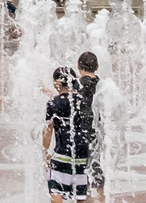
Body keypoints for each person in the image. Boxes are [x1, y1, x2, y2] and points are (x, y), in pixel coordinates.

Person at [43, 67, 88, 201]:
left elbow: (48, 130)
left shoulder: (53, 103)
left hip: (62, 153)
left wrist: (45, 152)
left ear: (57, 82)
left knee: (55, 189)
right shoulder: (83, 101)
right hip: (82, 154)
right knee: (81, 194)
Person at [76, 51, 105, 203]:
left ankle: (86, 196)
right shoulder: (102, 84)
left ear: (78, 65)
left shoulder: (78, 84)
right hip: (98, 128)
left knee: (82, 164)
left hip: (81, 128)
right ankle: (102, 197)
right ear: (97, 66)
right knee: (96, 162)